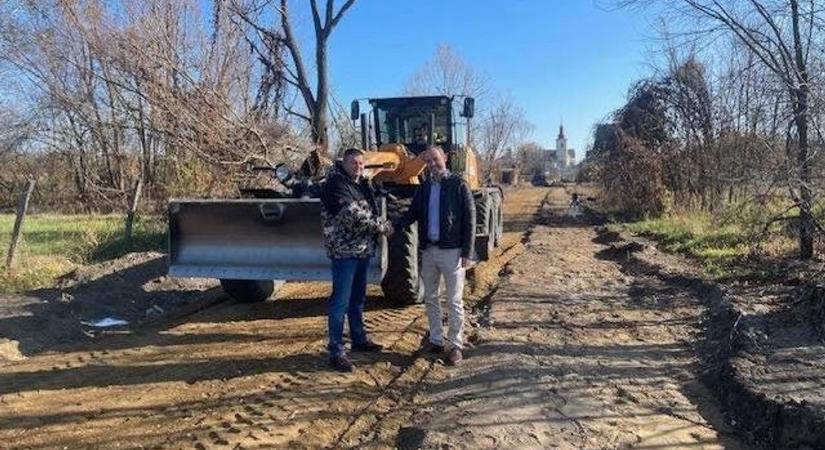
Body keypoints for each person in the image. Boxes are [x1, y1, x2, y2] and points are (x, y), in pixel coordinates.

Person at [395, 145, 475, 365]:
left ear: (445, 158)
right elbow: (412, 214)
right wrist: (393, 227)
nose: (431, 164)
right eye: (427, 161)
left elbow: (470, 218)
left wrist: (468, 252)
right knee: (431, 298)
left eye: (435, 159)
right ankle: (437, 340)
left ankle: (456, 345)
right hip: (429, 252)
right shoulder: (424, 188)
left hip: (452, 252)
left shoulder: (458, 185)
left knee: (454, 300)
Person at [320, 148, 393, 372]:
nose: (358, 167)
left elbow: (370, 207)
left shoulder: (361, 184)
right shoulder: (335, 183)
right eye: (354, 163)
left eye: (361, 163)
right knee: (339, 302)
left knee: (358, 298)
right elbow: (354, 214)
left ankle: (359, 339)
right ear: (344, 163)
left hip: (361, 250)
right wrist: (384, 227)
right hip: (344, 252)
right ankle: (336, 351)